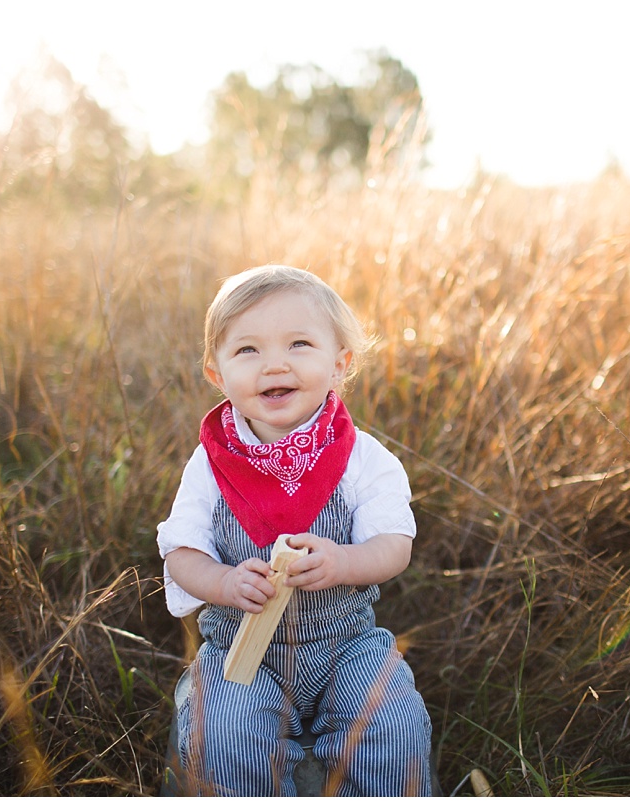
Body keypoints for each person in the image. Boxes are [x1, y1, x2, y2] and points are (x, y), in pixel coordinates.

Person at [156, 264, 433, 796]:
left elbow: (394, 545)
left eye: (299, 344)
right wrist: (224, 583)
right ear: (217, 374)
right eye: (248, 350)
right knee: (223, 733)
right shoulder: (211, 463)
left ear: (339, 365)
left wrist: (344, 562)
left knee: (391, 724)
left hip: (347, 645)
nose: (274, 365)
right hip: (241, 648)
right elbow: (182, 552)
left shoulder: (359, 456)